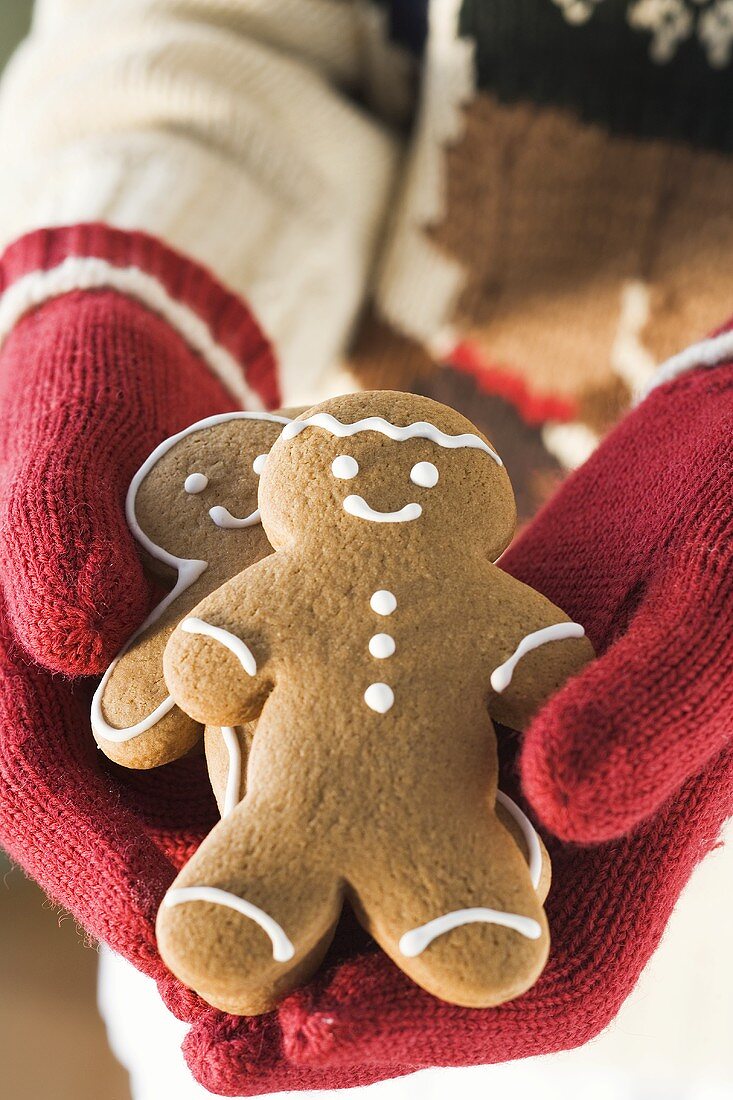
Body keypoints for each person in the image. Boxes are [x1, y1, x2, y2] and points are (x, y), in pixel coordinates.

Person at [0, 1, 732, 1096]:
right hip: (249, 780)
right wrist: (122, 279)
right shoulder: (291, 568)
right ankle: (252, 902)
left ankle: (461, 904)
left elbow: (530, 661)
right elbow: (215, 27)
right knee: (260, 894)